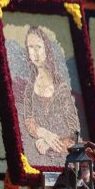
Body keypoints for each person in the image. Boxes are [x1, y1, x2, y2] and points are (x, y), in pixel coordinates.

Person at [15, 26, 81, 156]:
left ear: (47, 49)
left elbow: (75, 132)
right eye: (30, 48)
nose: (35, 53)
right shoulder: (30, 88)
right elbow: (28, 120)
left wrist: (51, 143)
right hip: (38, 158)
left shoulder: (61, 88)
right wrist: (43, 132)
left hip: (65, 159)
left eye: (38, 47)